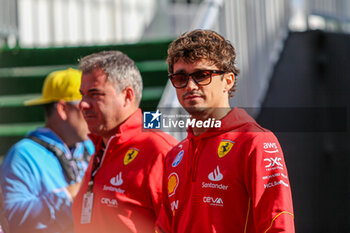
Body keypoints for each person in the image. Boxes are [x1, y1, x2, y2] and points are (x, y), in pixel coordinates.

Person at [155, 29, 295, 233]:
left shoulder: (257, 142)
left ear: (228, 81)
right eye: (180, 77)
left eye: (202, 75)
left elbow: (278, 224)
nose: (190, 86)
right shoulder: (175, 155)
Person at [72, 51, 178, 233]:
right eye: (82, 95)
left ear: (127, 96)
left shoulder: (159, 150)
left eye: (94, 94)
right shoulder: (100, 145)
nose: (82, 104)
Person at [0, 68, 94, 233]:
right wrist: (67, 196)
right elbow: (11, 219)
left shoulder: (90, 146)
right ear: (62, 109)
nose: (94, 113)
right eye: (85, 107)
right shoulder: (22, 155)